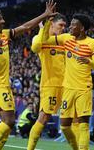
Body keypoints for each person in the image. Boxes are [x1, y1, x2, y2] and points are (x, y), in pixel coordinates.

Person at [0, 0, 57, 150]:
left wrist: (45, 15)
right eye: (0, 18)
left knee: (9, 123)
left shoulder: (5, 34)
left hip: (4, 84)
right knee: (8, 121)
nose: (3, 20)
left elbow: (26, 26)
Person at [44, 14, 94, 150]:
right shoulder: (66, 39)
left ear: (81, 28)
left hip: (84, 88)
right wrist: (48, 22)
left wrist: (89, 61)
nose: (69, 26)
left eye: (73, 24)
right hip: (68, 88)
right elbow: (45, 39)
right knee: (64, 125)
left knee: (83, 123)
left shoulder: (93, 43)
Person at [27, 13, 67, 149]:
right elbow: (35, 47)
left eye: (64, 26)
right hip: (51, 84)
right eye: (60, 25)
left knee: (76, 119)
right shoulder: (40, 39)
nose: (63, 28)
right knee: (44, 118)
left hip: (68, 85)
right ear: (51, 24)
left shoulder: (63, 40)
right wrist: (42, 28)